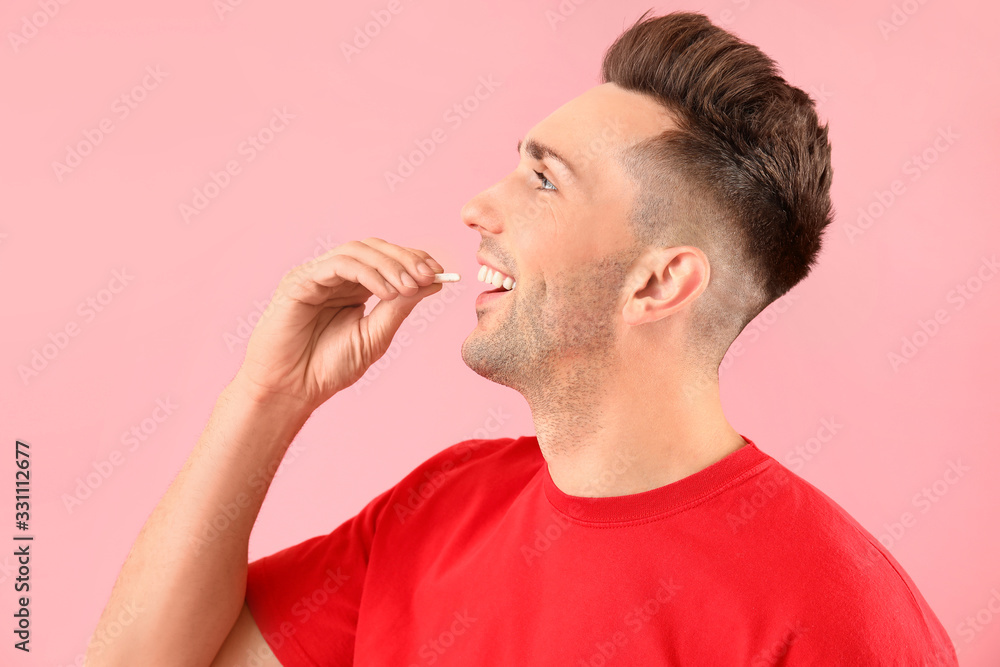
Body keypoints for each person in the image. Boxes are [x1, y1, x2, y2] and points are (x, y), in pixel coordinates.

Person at [87, 10, 958, 666]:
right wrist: (268, 395)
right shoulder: (444, 508)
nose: (479, 206)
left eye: (544, 179)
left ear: (659, 282)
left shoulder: (837, 614)